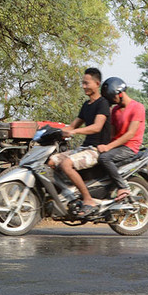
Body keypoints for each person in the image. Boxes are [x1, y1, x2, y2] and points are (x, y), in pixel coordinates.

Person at [47, 67, 111, 217]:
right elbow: (72, 125)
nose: (83, 86)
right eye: (82, 83)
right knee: (50, 162)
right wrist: (56, 131)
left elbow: (97, 127)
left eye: (86, 83)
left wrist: (74, 132)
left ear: (97, 83)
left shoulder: (103, 103)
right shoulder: (86, 105)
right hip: (84, 148)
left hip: (96, 150)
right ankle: (68, 195)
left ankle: (88, 199)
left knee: (66, 164)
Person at [96, 77, 146, 200]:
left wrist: (108, 147)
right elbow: (112, 134)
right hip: (117, 147)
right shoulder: (115, 110)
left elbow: (130, 134)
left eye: (113, 98)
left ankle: (122, 187)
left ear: (120, 93)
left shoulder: (137, 107)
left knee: (104, 158)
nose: (113, 102)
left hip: (129, 147)